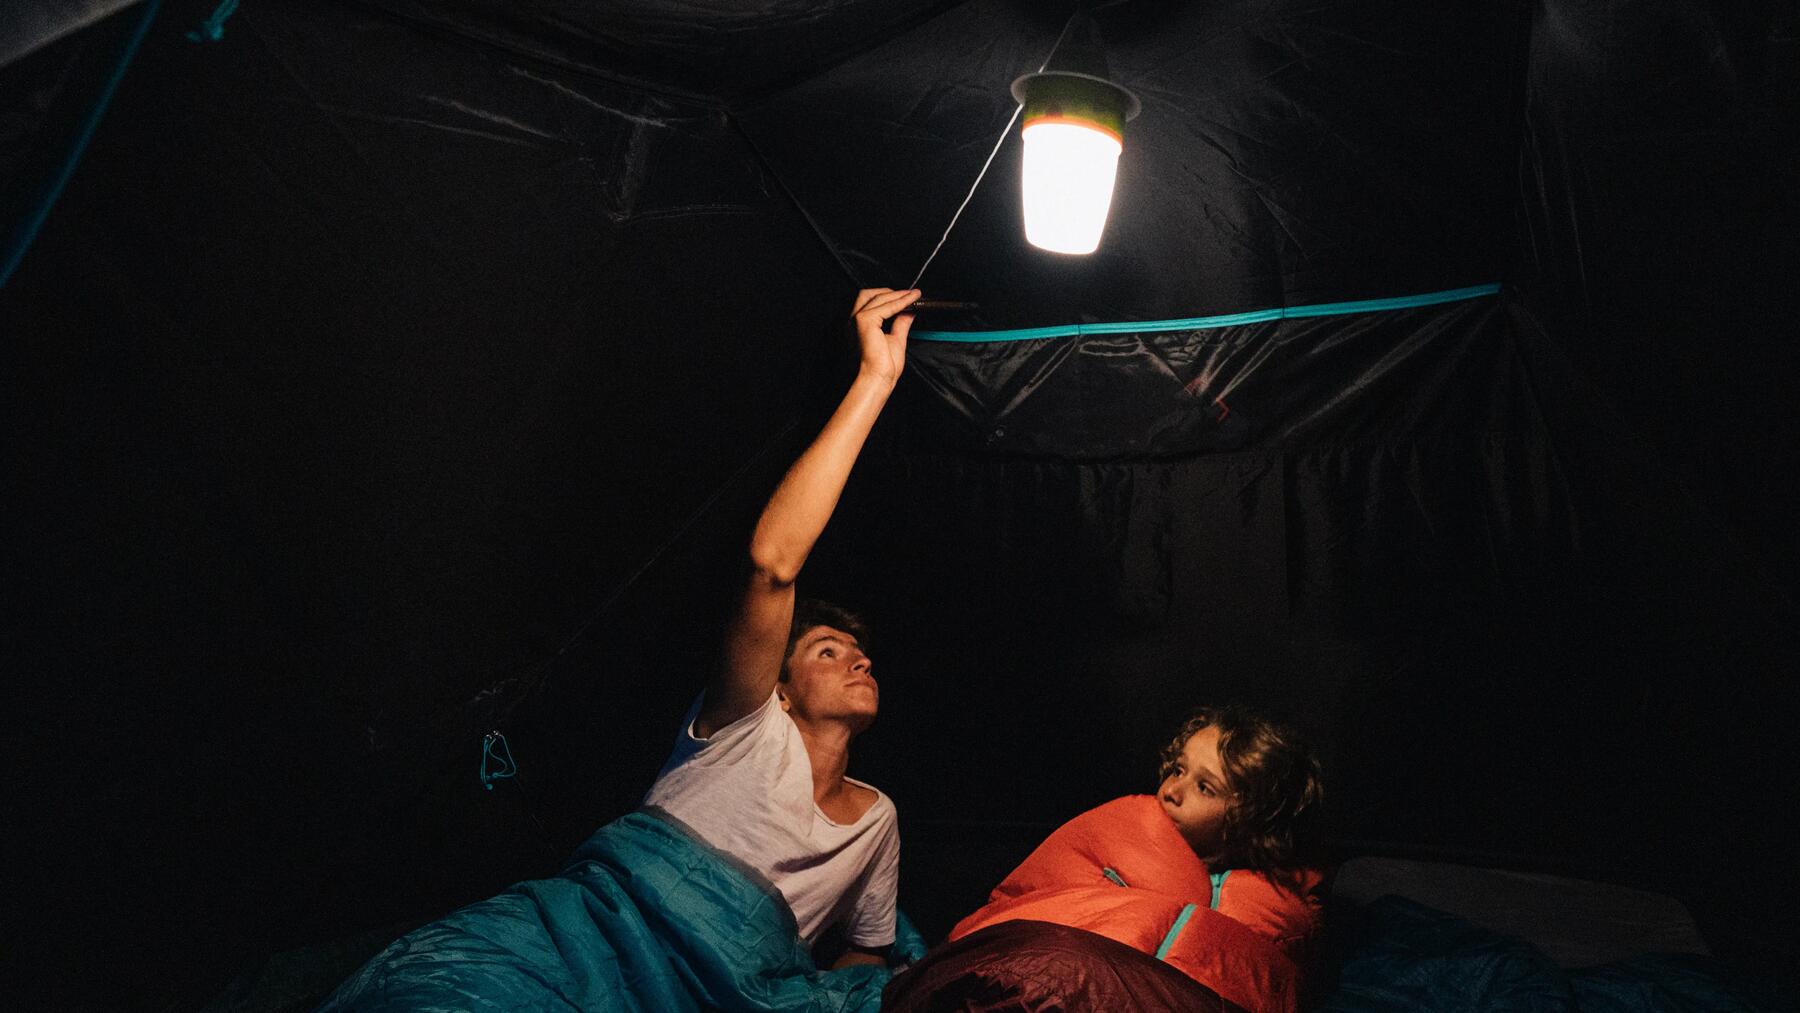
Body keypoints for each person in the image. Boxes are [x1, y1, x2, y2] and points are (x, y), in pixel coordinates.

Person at [641, 286, 923, 970]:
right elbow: (772, 563)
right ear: (783, 691)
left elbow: (868, 947)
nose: (861, 662)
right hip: (622, 925)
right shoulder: (745, 726)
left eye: (861, 653)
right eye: (830, 650)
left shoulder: (877, 819)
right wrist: (876, 379)